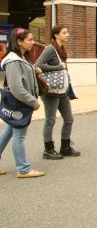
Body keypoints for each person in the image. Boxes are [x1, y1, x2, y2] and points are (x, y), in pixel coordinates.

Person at [0, 28, 44, 178]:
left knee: (7, 132)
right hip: (20, 103)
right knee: (19, 136)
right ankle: (23, 169)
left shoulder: (21, 58)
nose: (33, 42)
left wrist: (34, 70)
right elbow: (17, 88)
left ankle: (22, 167)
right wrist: (33, 102)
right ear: (19, 42)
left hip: (20, 102)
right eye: (29, 40)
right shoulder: (13, 61)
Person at [34, 25, 79, 159]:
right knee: (50, 120)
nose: (68, 34)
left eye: (67, 32)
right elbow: (37, 65)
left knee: (69, 119)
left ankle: (65, 147)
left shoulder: (61, 49)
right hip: (50, 91)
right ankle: (48, 150)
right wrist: (58, 66)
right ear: (56, 35)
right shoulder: (50, 49)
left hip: (62, 89)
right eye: (64, 32)